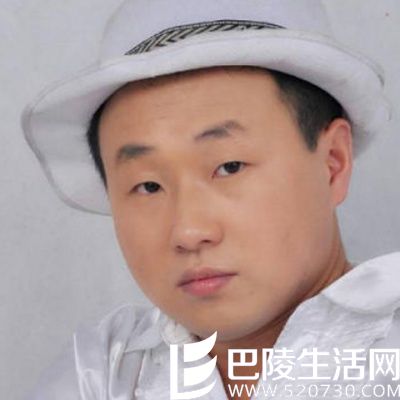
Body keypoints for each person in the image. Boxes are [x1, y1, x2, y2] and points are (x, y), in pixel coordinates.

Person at [22, 1, 400, 399]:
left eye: (229, 166)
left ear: (332, 164)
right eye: (148, 186)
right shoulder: (103, 373)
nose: (188, 231)